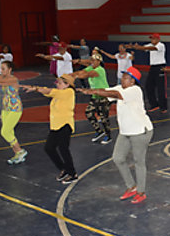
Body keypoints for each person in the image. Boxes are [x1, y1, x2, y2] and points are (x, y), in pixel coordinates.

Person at [80, 67, 153, 204]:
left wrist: (95, 91)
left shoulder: (135, 90)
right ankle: (131, 186)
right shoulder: (121, 87)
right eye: (123, 76)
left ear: (132, 81)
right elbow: (108, 91)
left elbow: (115, 94)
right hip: (125, 131)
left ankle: (141, 192)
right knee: (118, 158)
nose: (122, 79)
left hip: (140, 131)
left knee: (139, 161)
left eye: (125, 77)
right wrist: (91, 91)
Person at [22, 74, 78, 184]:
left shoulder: (69, 92)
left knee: (63, 149)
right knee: (49, 148)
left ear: (67, 84)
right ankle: (64, 168)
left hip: (65, 125)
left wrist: (35, 88)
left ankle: (72, 173)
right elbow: (47, 91)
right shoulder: (58, 94)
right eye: (57, 82)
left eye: (60, 83)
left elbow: (50, 91)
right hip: (56, 125)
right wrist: (37, 89)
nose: (57, 84)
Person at [72, 54, 113, 145]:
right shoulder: (91, 68)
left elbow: (86, 75)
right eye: (92, 60)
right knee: (89, 113)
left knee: (103, 118)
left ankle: (108, 135)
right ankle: (99, 131)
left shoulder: (100, 70)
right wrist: (70, 75)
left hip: (103, 96)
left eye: (94, 60)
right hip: (95, 96)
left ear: (99, 62)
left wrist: (76, 76)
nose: (92, 62)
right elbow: (82, 72)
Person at [127, 33, 167, 113]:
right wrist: (134, 47)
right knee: (148, 86)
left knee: (161, 88)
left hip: (160, 67)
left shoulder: (161, 45)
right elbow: (144, 48)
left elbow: (151, 48)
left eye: (154, 39)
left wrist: (139, 47)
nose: (152, 40)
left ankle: (163, 107)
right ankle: (154, 104)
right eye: (151, 39)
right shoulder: (150, 45)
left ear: (158, 39)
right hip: (153, 67)